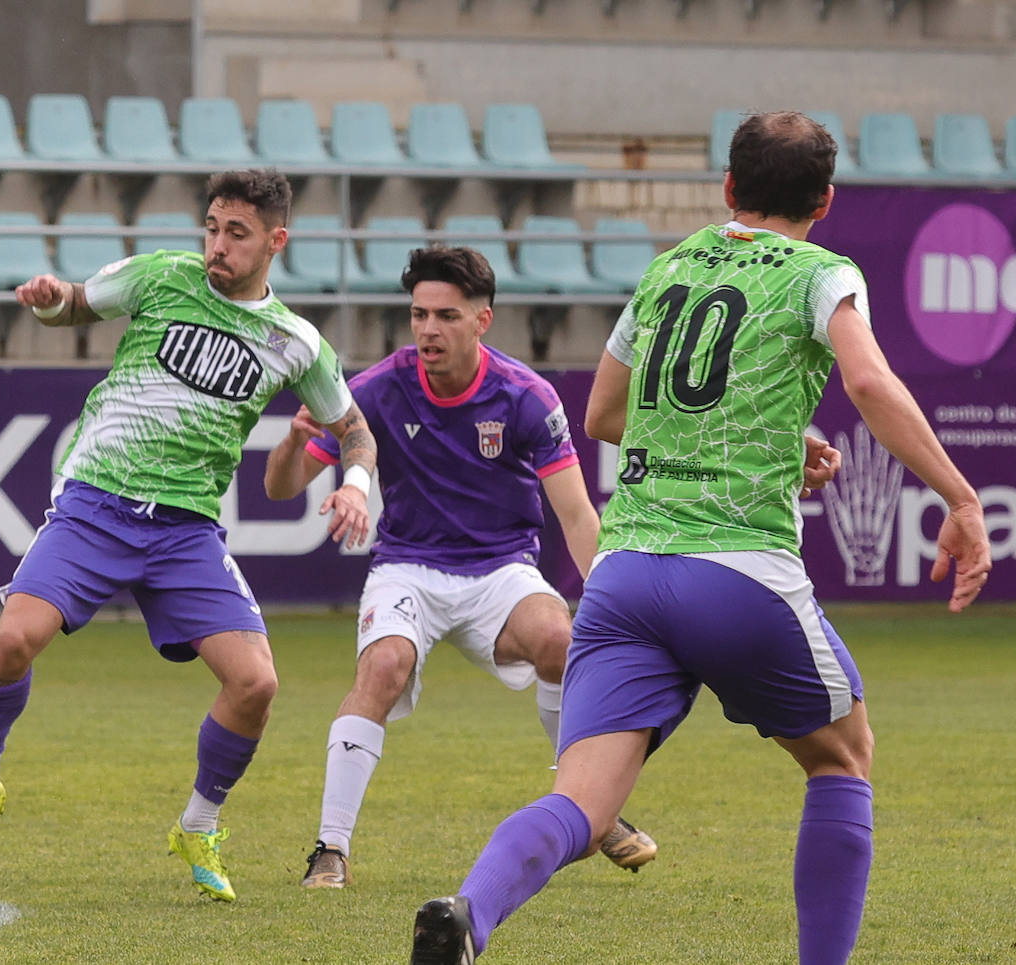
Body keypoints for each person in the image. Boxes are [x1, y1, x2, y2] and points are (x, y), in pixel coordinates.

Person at [408, 111, 992, 964]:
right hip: (738, 575)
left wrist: (778, 442)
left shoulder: (666, 268)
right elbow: (867, 378)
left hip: (626, 575)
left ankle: (469, 914)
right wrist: (961, 497)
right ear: (825, 200)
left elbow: (605, 413)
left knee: (586, 803)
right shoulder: (821, 272)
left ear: (727, 189)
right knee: (843, 758)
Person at [263, 245, 838, 890]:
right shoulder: (376, 390)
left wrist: (606, 593)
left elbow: (575, 515)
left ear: (482, 320)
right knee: (384, 665)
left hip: (500, 571)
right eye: (419, 314)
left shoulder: (525, 397)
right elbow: (282, 488)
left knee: (564, 643)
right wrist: (291, 440)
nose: (428, 330)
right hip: (408, 568)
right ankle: (330, 850)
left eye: (446, 316)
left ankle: (591, 805)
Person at [0, 169, 377, 904]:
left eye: (236, 232)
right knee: (13, 641)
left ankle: (198, 823)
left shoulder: (295, 341)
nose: (217, 245)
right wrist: (49, 304)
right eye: (211, 226)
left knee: (256, 682)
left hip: (185, 529)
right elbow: (77, 305)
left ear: (276, 240)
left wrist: (354, 485)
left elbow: (354, 431)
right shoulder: (162, 276)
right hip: (97, 502)